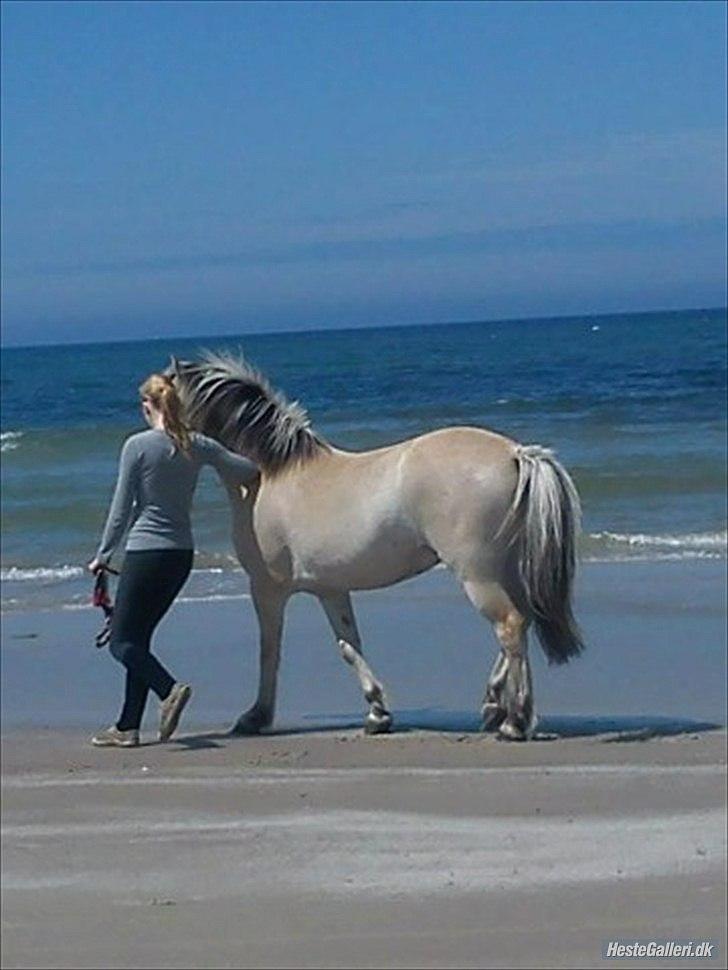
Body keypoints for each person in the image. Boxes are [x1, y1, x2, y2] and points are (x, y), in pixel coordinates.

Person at [87, 373, 258, 748]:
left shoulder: (137, 445)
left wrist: (103, 556)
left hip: (146, 553)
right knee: (138, 639)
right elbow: (248, 470)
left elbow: (121, 509)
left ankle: (168, 690)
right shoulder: (197, 444)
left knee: (121, 643)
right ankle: (127, 727)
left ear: (148, 405)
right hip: (180, 556)